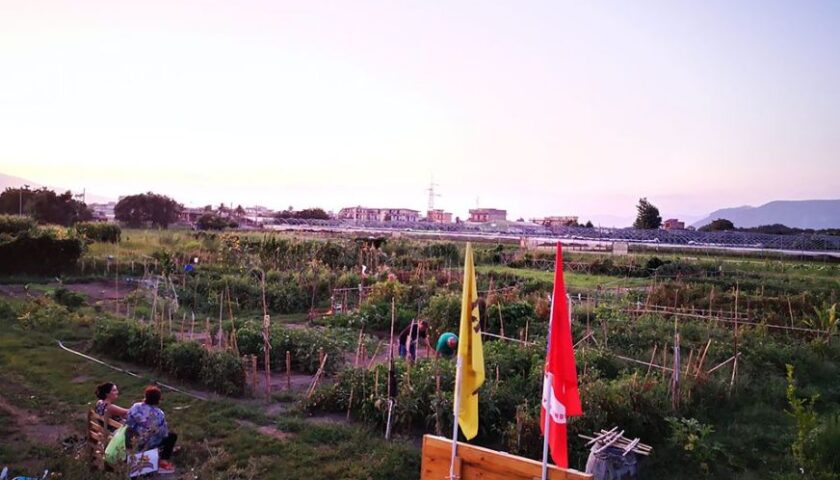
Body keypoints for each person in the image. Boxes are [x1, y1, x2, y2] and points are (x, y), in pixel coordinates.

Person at [125, 386, 178, 474]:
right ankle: (163, 461)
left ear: (146, 396)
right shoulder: (159, 414)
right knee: (171, 436)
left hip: (131, 441)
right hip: (147, 444)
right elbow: (164, 433)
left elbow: (128, 421)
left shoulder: (136, 406)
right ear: (158, 399)